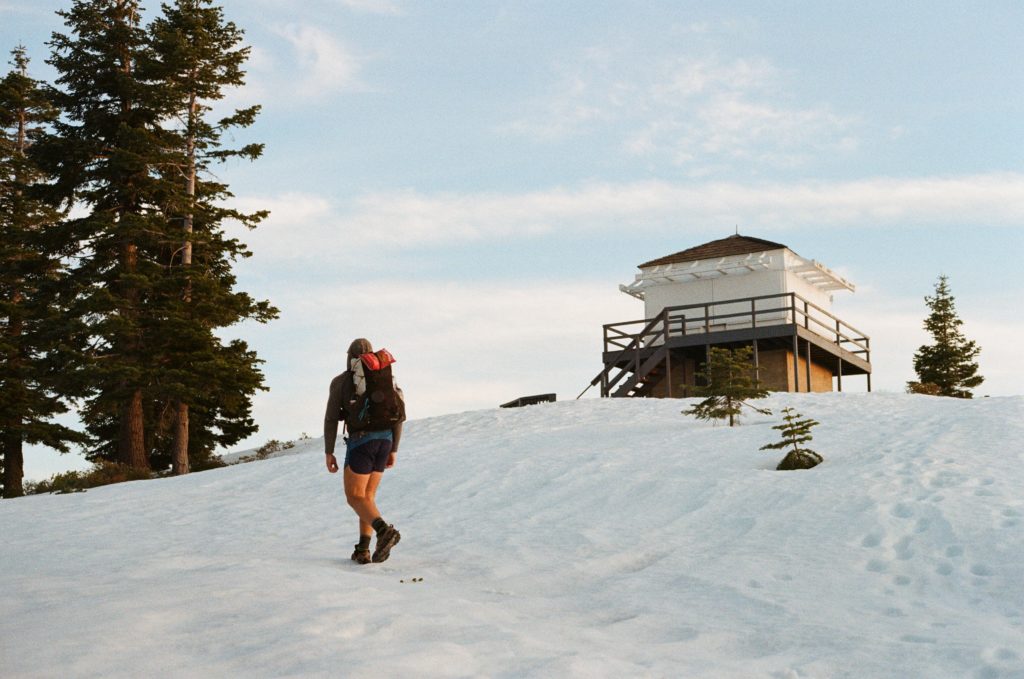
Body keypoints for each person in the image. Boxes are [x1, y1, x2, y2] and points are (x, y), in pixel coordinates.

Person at [324, 338, 405, 564]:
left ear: (349, 356)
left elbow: (331, 418)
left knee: (355, 497)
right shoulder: (387, 379)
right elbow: (398, 416)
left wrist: (329, 451)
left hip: (361, 442)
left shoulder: (341, 381)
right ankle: (363, 549)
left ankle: (383, 531)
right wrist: (393, 449)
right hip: (385, 441)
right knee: (367, 498)